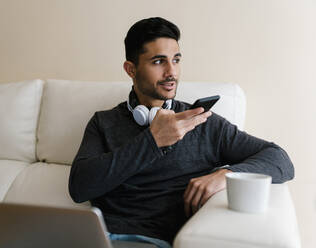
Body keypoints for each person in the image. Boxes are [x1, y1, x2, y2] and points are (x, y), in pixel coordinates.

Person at [69, 17, 294, 248]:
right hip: (95, 238)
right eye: (158, 61)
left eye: (176, 60)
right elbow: (79, 188)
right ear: (131, 69)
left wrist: (225, 175)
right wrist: (152, 141)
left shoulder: (201, 120)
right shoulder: (104, 122)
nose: (171, 72)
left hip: (153, 242)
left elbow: (281, 160)